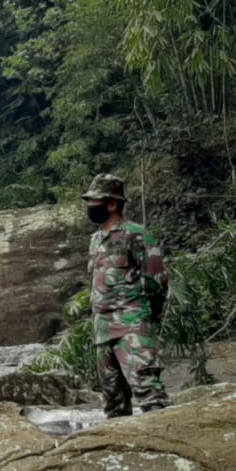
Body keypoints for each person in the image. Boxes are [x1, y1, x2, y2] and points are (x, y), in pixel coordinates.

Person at [81, 173, 170, 417]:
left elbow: (157, 280)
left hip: (132, 327)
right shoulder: (95, 240)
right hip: (103, 332)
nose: (90, 207)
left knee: (150, 394)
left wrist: (146, 316)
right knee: (113, 404)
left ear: (112, 204)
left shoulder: (135, 234)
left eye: (94, 201)